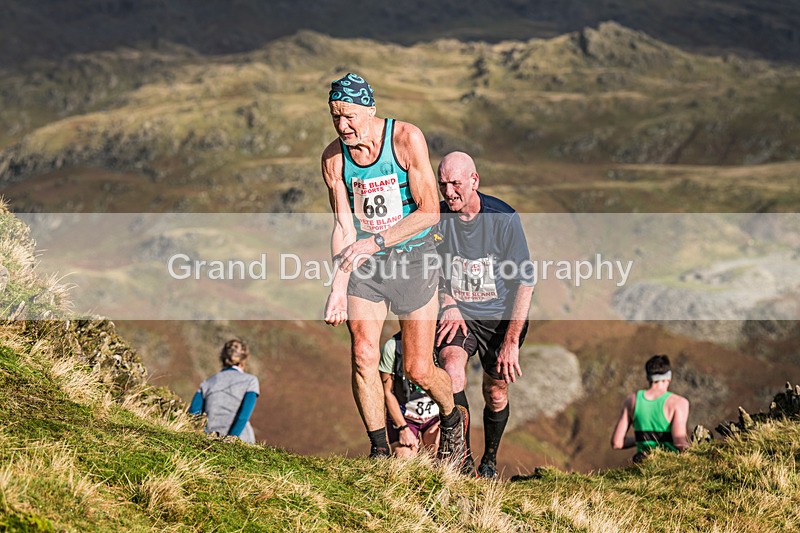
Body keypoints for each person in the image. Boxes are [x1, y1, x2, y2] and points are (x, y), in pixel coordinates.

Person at [321, 73, 468, 469]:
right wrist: (337, 287)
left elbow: (429, 211)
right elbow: (343, 227)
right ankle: (378, 451)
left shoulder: (405, 139)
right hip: (368, 267)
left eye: (350, 115)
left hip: (414, 260)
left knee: (417, 368)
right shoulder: (334, 160)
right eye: (335, 116)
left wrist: (378, 241)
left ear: (370, 110)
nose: (343, 125)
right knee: (363, 352)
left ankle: (453, 418)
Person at [434, 151, 535, 478]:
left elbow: (525, 281)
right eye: (443, 184)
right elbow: (432, 266)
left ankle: (489, 458)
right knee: (452, 372)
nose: (449, 192)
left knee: (495, 391)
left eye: (456, 183)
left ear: (474, 181)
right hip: (459, 313)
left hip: (500, 319)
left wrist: (510, 342)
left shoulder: (503, 218)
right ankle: (461, 457)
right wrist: (448, 301)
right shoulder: (438, 217)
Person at [611, 354, 690, 462]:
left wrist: (643, 439)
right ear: (669, 377)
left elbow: (617, 443)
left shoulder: (632, 400)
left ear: (648, 377)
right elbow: (679, 443)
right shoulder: (678, 403)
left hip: (642, 464)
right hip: (669, 465)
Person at [380, 332, 441, 458]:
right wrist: (403, 428)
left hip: (435, 417)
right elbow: (387, 392)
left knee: (441, 456)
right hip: (404, 416)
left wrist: (446, 421)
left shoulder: (440, 342)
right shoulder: (392, 347)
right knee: (404, 460)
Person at [188, 339, 260, 443]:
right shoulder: (250, 381)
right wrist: (231, 439)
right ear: (243, 360)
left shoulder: (207, 383)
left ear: (222, 358)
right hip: (243, 441)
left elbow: (193, 413)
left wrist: (205, 435)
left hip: (211, 441)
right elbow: (243, 416)